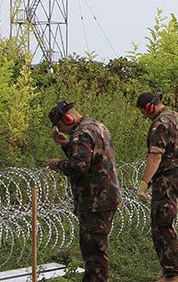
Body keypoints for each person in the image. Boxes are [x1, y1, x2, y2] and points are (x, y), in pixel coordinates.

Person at [46, 100, 121, 282]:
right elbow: (92, 158)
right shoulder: (96, 125)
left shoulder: (81, 134)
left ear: (67, 118)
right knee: (94, 249)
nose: (62, 130)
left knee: (94, 252)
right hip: (106, 196)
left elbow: (78, 166)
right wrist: (66, 146)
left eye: (60, 126)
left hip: (95, 200)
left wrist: (57, 164)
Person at [135, 92, 178, 282]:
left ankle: (172, 275)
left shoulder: (159, 124)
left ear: (149, 108)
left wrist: (144, 183)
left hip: (166, 178)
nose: (144, 116)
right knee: (167, 224)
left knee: (162, 227)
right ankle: (170, 272)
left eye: (144, 112)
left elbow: (156, 155)